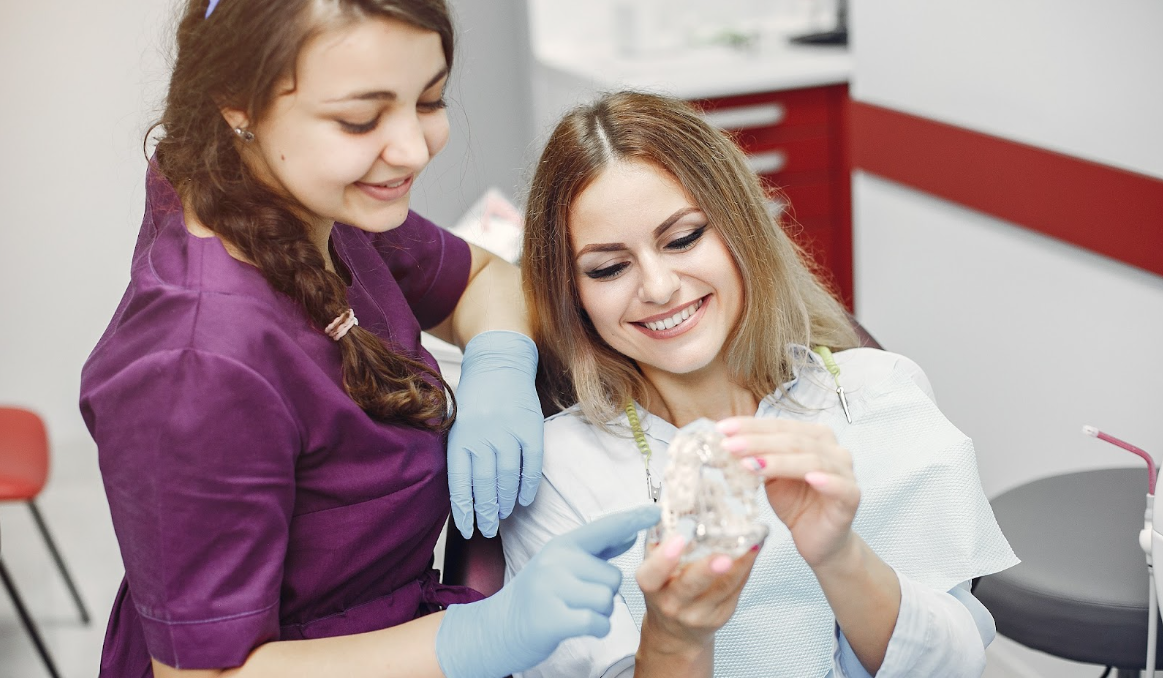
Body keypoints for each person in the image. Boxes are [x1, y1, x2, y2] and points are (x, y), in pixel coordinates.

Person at [79, 2, 661, 677]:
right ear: (236, 103)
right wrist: (473, 638)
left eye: (430, 99)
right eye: (361, 119)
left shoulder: (301, 201)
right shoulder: (197, 365)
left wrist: (500, 363)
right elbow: (204, 674)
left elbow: (483, 279)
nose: (412, 149)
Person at [503, 90, 1019, 677]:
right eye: (609, 267)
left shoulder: (877, 395)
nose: (658, 286)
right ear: (573, 295)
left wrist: (840, 556)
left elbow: (956, 666)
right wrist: (676, 637)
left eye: (683, 238)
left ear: (741, 229)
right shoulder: (554, 474)